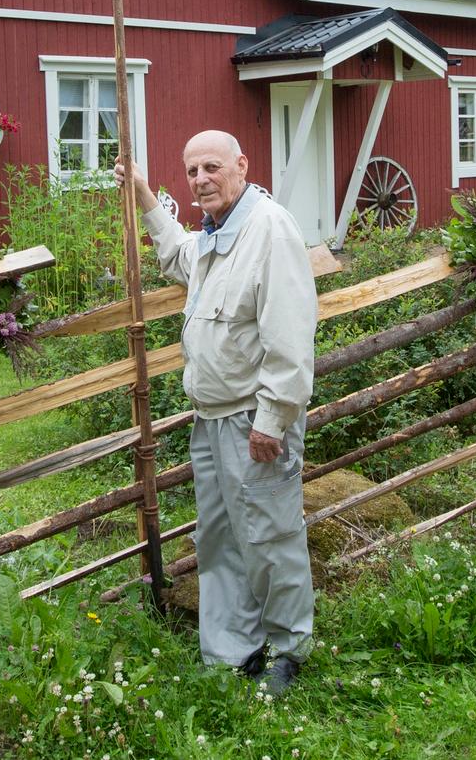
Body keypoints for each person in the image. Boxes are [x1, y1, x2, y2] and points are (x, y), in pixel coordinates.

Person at [116, 130, 317, 695]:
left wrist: (272, 420)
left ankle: (287, 649)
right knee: (221, 540)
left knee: (270, 536)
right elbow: (182, 259)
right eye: (192, 171)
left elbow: (291, 337)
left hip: (254, 420)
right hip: (211, 418)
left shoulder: (269, 229)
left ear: (242, 165)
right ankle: (234, 650)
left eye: (211, 167)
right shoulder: (215, 233)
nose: (201, 179)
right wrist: (142, 195)